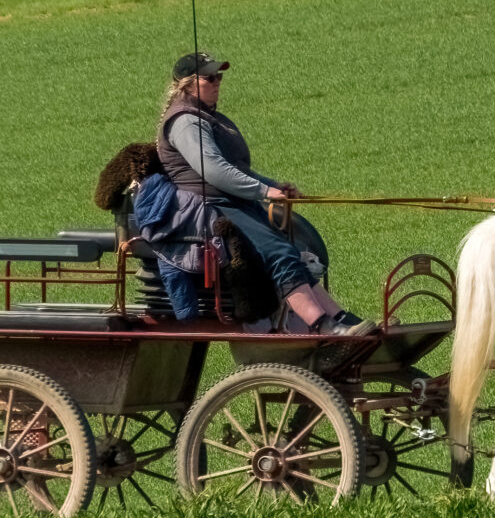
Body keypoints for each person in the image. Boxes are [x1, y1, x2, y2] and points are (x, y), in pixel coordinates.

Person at [133, 51, 376, 335]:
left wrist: (273, 186)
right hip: (210, 207)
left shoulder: (207, 117)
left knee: (292, 253)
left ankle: (343, 319)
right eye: (209, 77)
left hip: (231, 200)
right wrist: (263, 191)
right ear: (187, 84)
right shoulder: (186, 122)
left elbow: (235, 168)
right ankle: (324, 327)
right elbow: (214, 171)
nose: (217, 82)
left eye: (219, 76)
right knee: (278, 253)